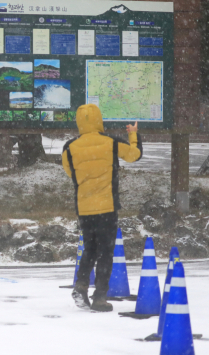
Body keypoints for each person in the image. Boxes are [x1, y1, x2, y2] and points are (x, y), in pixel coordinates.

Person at [61, 104, 142, 311]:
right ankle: (99, 297)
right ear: (99, 120)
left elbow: (72, 173)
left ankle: (80, 285)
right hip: (106, 206)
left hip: (85, 207)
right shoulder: (111, 142)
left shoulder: (69, 147)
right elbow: (134, 155)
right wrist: (133, 135)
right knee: (105, 252)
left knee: (89, 248)